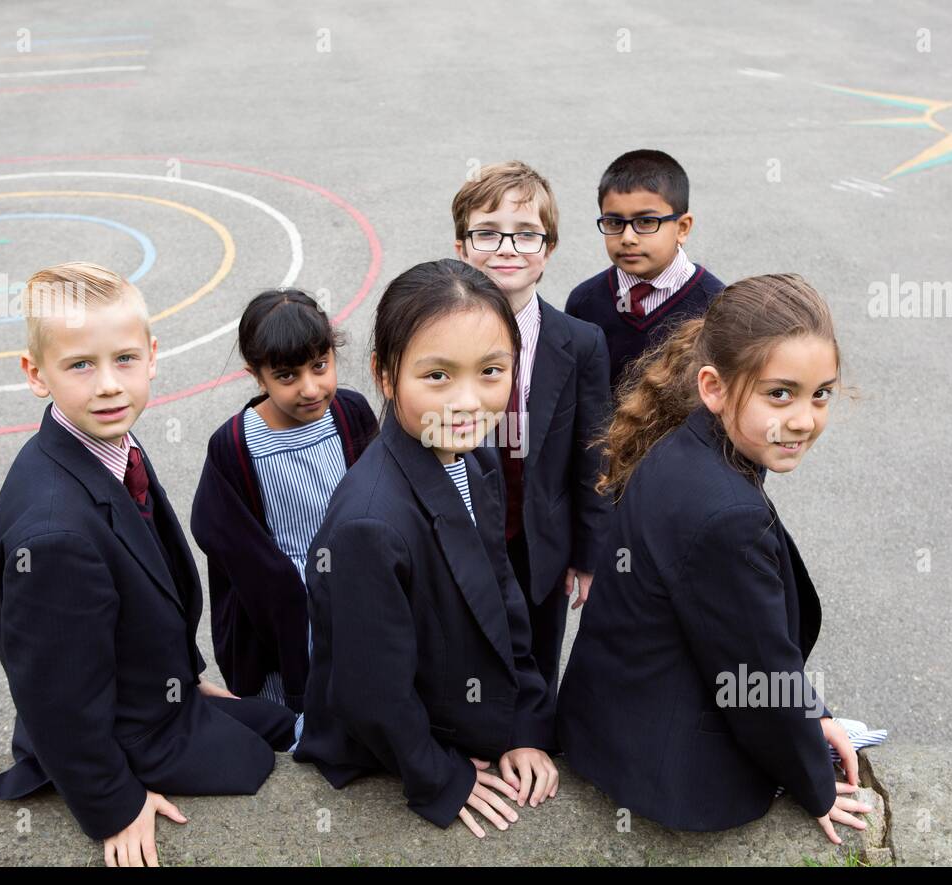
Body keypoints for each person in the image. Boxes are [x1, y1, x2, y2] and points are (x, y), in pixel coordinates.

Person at [0, 262, 294, 866]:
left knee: (286, 722)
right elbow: (57, 696)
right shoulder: (53, 536)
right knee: (281, 758)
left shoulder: (101, 438)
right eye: (79, 365)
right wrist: (113, 805)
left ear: (151, 355)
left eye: (124, 359)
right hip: (133, 741)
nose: (107, 385)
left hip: (161, 694)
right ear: (35, 374)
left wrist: (184, 671)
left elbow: (143, 586)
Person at [557, 273, 875, 844]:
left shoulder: (688, 442)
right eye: (780, 393)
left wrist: (814, 714)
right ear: (714, 387)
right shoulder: (727, 515)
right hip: (670, 769)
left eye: (820, 393)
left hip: (607, 724)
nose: (804, 418)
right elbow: (754, 672)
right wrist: (814, 781)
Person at [294, 259, 559, 838]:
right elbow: (370, 691)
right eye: (437, 377)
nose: (467, 401)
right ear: (385, 376)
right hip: (399, 745)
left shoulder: (476, 457)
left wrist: (523, 725)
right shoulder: (370, 524)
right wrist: (441, 778)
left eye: (492, 371)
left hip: (463, 707)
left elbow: (502, 598)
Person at [451, 161, 611, 700]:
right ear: (461, 247)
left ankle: (534, 741)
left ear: (548, 249)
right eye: (487, 233)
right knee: (465, 656)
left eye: (526, 234)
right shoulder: (433, 334)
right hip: (463, 537)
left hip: (540, 544)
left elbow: (594, 456)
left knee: (538, 664)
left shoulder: (582, 342)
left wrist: (587, 558)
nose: (507, 247)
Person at [190, 290, 377, 737]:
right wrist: (294, 596)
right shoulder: (234, 446)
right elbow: (227, 541)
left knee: (364, 694)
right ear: (256, 376)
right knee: (301, 717)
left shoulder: (350, 413)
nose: (310, 388)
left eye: (320, 366)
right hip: (285, 621)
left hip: (359, 597)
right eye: (287, 375)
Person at [565, 148, 725, 395]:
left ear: (682, 228)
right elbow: (577, 393)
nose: (628, 238)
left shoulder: (717, 306)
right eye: (615, 223)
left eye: (646, 222)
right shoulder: (584, 303)